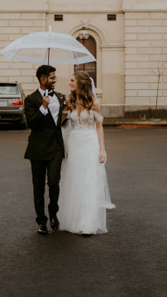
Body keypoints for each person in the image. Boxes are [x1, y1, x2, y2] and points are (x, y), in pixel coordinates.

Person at [57, 70, 115, 236]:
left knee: (89, 181)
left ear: (80, 83)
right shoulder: (70, 101)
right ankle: (72, 219)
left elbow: (99, 127)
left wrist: (102, 149)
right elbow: (61, 122)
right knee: (74, 180)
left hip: (90, 144)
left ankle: (88, 223)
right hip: (74, 144)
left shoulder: (94, 103)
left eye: (72, 80)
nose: (69, 83)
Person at [24, 64, 65, 235]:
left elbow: (60, 122)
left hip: (56, 146)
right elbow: (31, 123)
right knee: (38, 186)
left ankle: (54, 213)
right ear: (43, 80)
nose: (55, 80)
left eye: (54, 77)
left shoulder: (60, 97)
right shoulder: (31, 99)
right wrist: (43, 107)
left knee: (54, 183)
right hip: (38, 148)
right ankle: (41, 221)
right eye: (52, 78)